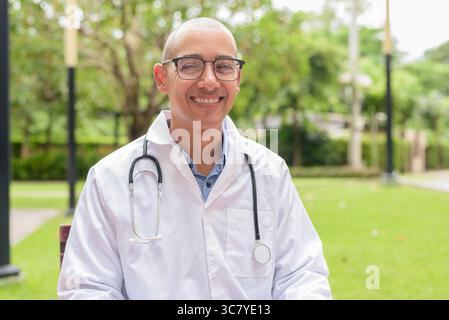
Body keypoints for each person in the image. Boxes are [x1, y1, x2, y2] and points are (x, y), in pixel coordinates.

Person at [58, 17, 332, 300]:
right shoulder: (109, 178)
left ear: (237, 79)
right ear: (161, 78)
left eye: (224, 66)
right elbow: (87, 288)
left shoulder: (270, 173)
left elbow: (302, 274)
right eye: (190, 65)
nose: (209, 81)